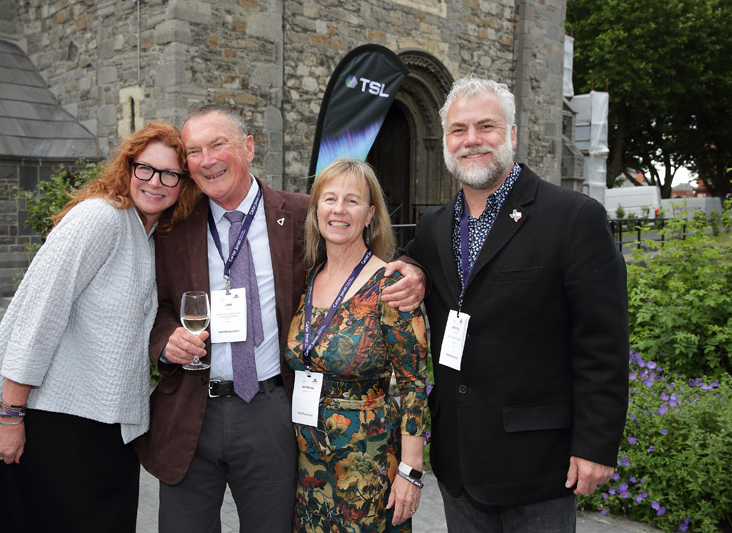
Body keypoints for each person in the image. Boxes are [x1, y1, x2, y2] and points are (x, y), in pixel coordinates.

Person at [133, 105, 426, 532]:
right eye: (194, 151)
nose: (207, 160)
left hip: (271, 409)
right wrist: (166, 340)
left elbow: (357, 254)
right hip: (191, 410)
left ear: (248, 148)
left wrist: (414, 272)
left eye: (218, 145)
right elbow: (155, 305)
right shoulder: (174, 225)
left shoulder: (303, 215)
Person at [403, 76, 629, 532]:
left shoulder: (572, 218)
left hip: (538, 466)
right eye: (458, 130)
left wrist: (595, 445)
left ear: (512, 134)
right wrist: (410, 268)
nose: (471, 140)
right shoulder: (433, 226)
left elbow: (603, 343)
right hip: (458, 462)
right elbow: (411, 262)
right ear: (446, 142)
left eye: (485, 126)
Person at [0, 122, 198, 532]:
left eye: (170, 175)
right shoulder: (100, 217)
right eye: (146, 168)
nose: (155, 182)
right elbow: (38, 316)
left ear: (184, 185)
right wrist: (10, 415)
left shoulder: (150, 235)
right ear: (128, 167)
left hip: (106, 427)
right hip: (52, 421)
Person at [284, 158, 428, 532]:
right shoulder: (308, 278)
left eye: (352, 201)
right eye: (330, 199)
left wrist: (411, 472)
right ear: (316, 210)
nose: (339, 210)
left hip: (366, 468)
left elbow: (414, 386)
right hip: (307, 463)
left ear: (370, 215)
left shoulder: (390, 285)